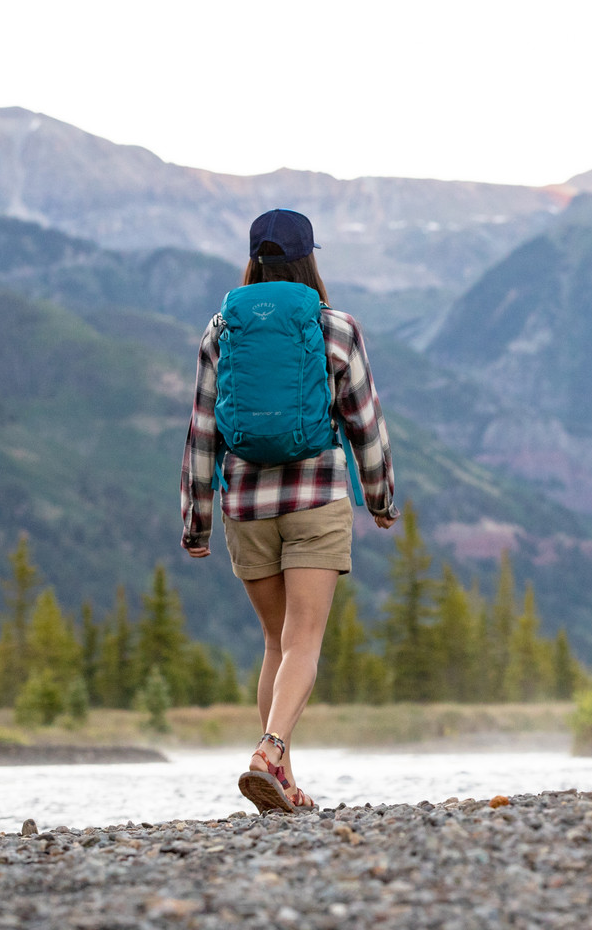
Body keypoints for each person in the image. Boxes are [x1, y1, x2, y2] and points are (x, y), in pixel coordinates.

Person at [181, 208, 400, 812]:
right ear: (310, 261)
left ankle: (284, 779)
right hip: (316, 499)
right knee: (304, 642)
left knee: (275, 643)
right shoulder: (336, 329)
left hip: (246, 507)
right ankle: (270, 751)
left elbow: (203, 432)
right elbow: (365, 424)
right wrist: (381, 500)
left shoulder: (222, 329)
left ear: (253, 261)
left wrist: (196, 519)